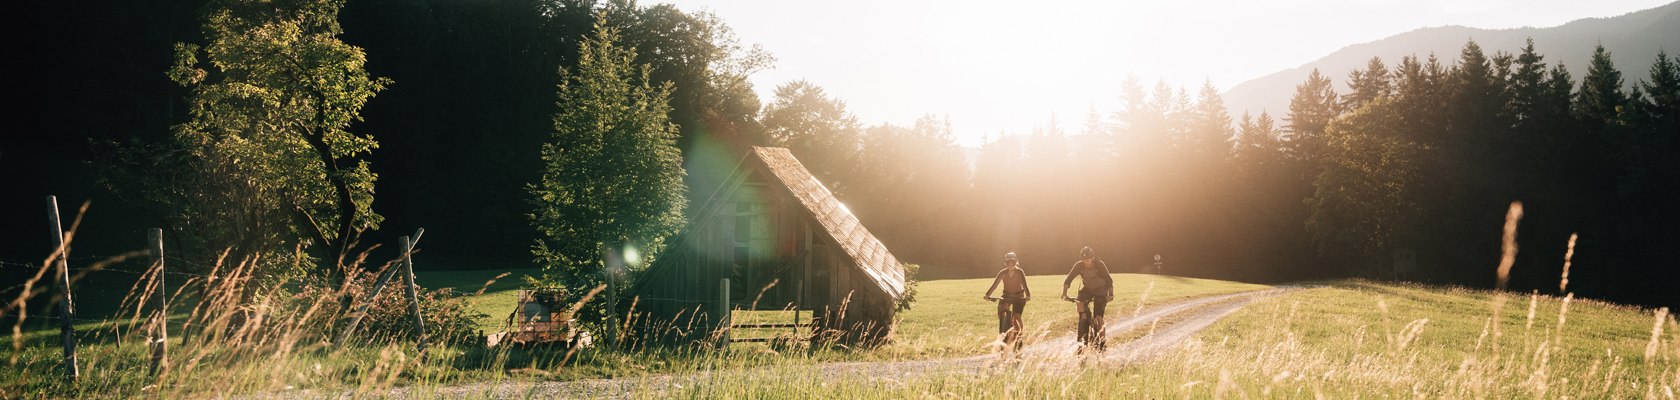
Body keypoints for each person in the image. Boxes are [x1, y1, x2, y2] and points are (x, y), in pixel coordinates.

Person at [1061, 246, 1113, 352]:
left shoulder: (1100, 264)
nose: (1086, 262)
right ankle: (1084, 319)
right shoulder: (1079, 266)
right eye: (1084, 260)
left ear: (1092, 257)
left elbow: (1108, 280)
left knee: (1098, 317)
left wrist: (1110, 294)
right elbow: (1068, 280)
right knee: (1079, 302)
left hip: (1100, 290)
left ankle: (1102, 342)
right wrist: (1064, 293)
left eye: (1088, 259)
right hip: (1088, 289)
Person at [984, 252, 1030, 353]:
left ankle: (1019, 335)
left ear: (1015, 262)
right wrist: (987, 295)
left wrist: (1028, 295)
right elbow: (995, 284)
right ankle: (1004, 327)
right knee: (1002, 310)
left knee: (1016, 316)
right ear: (1006, 263)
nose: (1011, 264)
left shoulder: (1019, 272)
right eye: (1009, 262)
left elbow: (1024, 284)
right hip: (1007, 296)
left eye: (1012, 262)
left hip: (1019, 296)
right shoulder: (1002, 273)